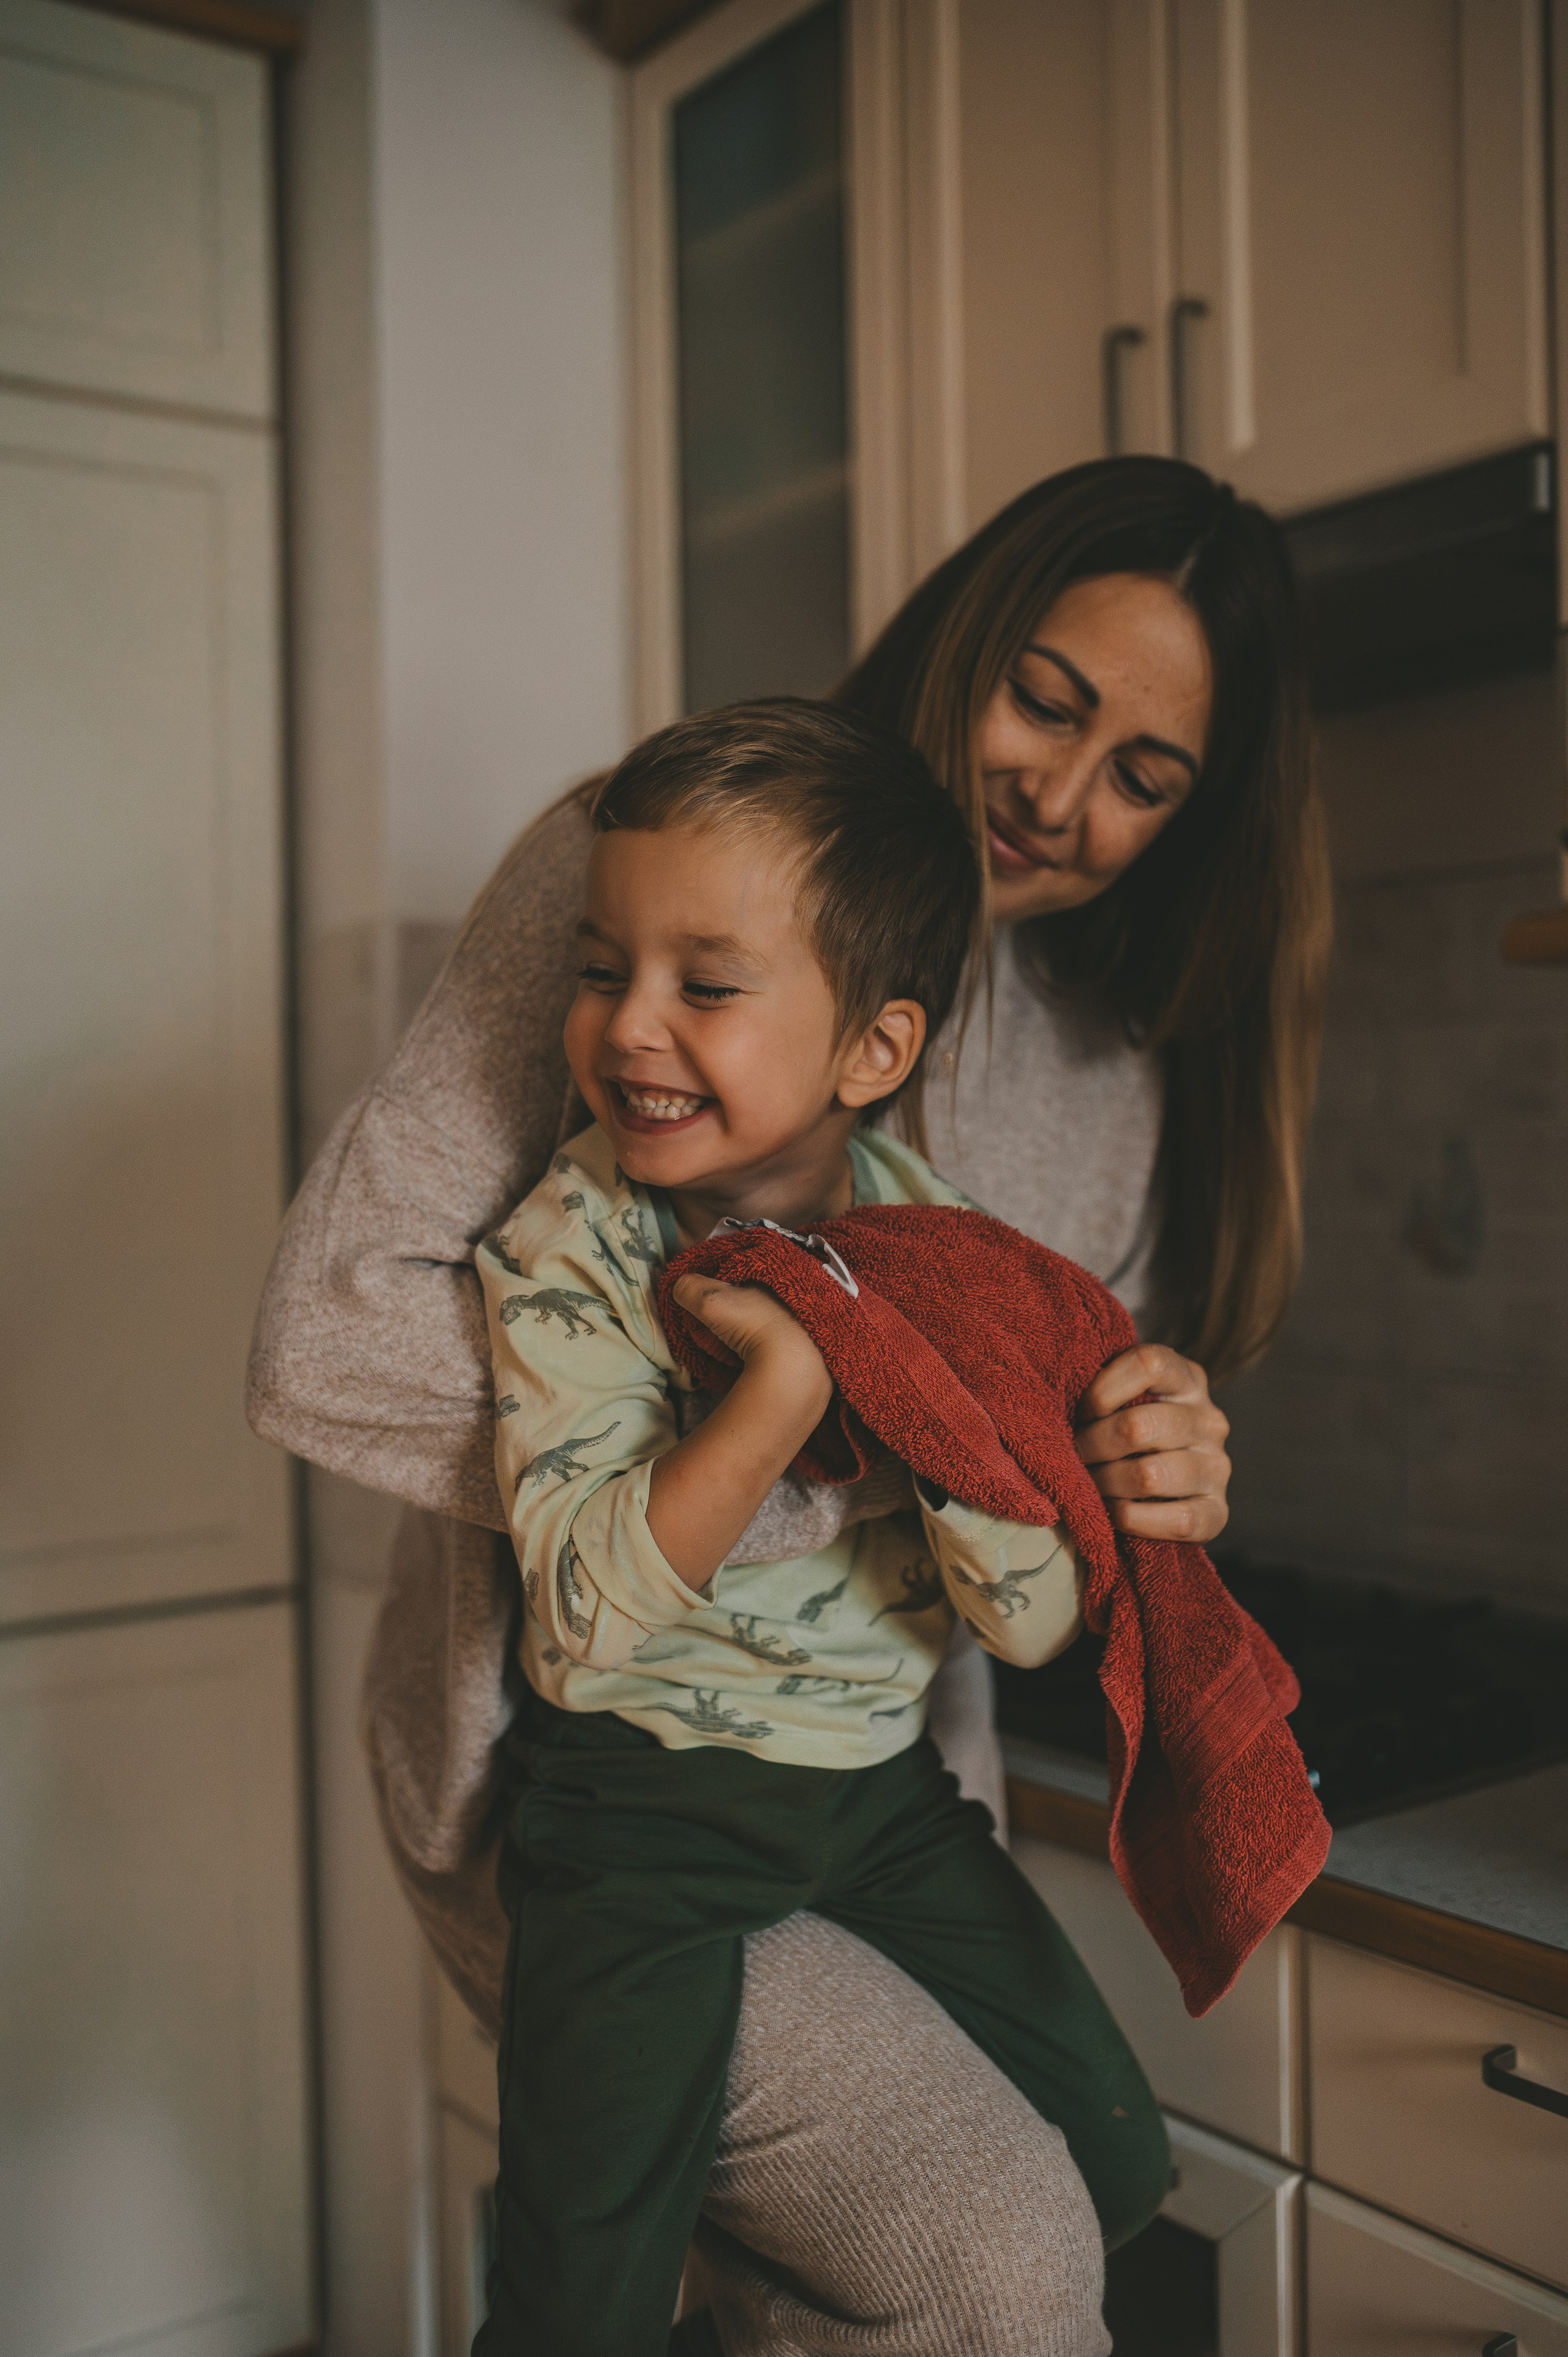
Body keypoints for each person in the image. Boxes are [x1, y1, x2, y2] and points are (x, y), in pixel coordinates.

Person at [247, 455, 1327, 2352]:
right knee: (994, 2275)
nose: (1062, 797)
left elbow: (1023, 1479)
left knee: (1032, 2203)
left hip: (889, 1800)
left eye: (1145, 778)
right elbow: (332, 1333)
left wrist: (1141, 1464)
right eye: (1046, 701)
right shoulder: (647, 865)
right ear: (966, 637)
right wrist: (786, 1452)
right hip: (574, 1790)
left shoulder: (1109, 1081)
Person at [474, 701, 1170, 2355]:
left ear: (872, 1051)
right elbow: (580, 1629)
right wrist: (788, 1384)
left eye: (705, 986)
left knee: (1120, 2165)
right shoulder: (570, 1248)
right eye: (602, 967)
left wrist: (965, 1441)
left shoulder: (945, 1246)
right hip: (636, 1828)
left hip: (878, 1800)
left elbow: (1029, 1624)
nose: (631, 1027)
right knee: (578, 2308)